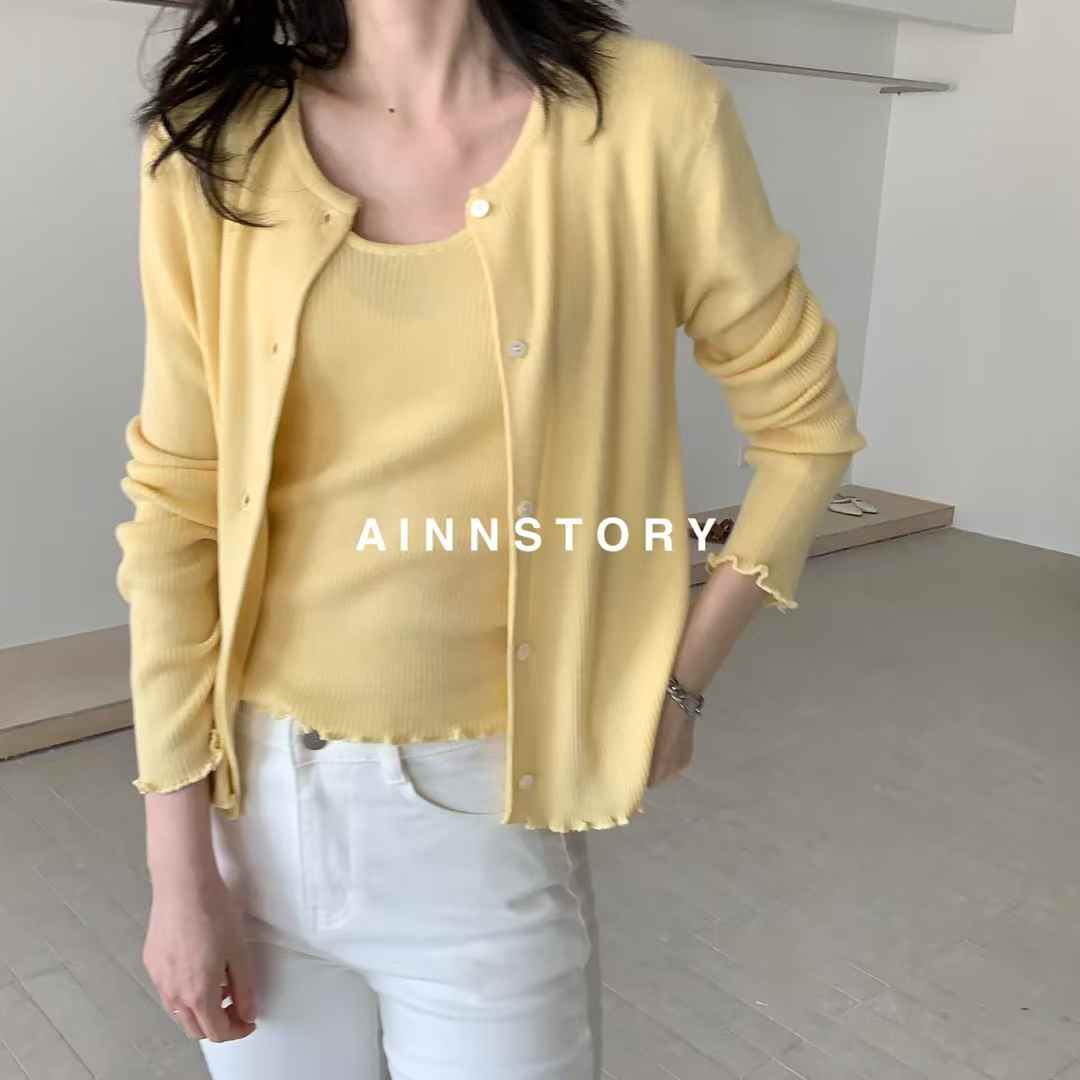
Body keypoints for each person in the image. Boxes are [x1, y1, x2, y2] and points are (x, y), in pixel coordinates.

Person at [114, 1, 868, 1076]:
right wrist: (178, 871)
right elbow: (177, 506)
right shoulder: (214, 138)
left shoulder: (650, 114)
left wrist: (681, 684)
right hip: (253, 804)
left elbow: (805, 426)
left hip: (483, 818)